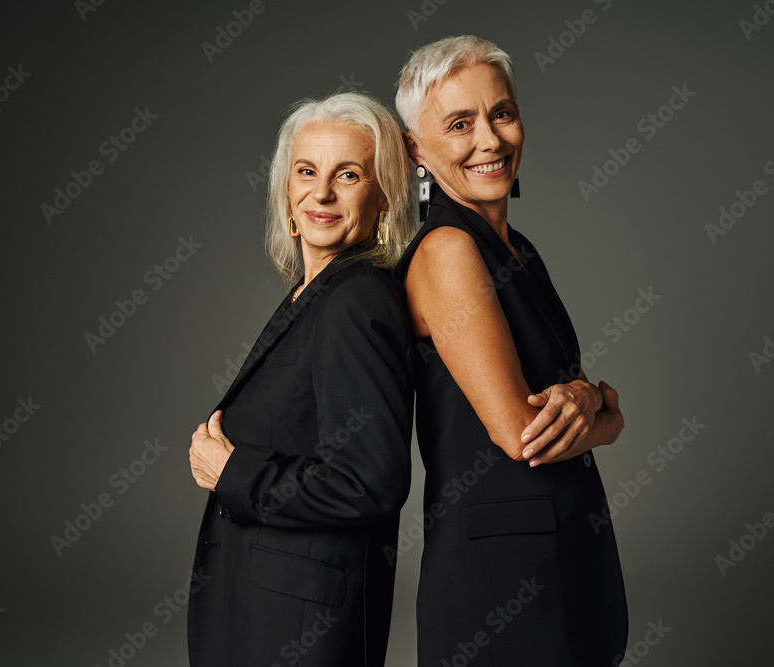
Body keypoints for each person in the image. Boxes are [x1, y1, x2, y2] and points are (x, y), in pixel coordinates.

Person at [392, 36, 628, 665]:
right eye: (460, 124)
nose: (490, 141)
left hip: (563, 552)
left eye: (502, 113)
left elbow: (577, 403)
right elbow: (526, 435)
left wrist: (589, 400)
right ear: (417, 148)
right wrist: (602, 406)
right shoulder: (447, 251)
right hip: (501, 579)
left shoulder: (519, 249)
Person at [186, 91, 416, 666]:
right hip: (271, 607)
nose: (322, 192)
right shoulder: (316, 293)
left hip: (302, 626)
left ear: (384, 195)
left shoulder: (356, 302)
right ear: (286, 189)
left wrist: (234, 473)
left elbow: (371, 480)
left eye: (349, 174)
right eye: (307, 171)